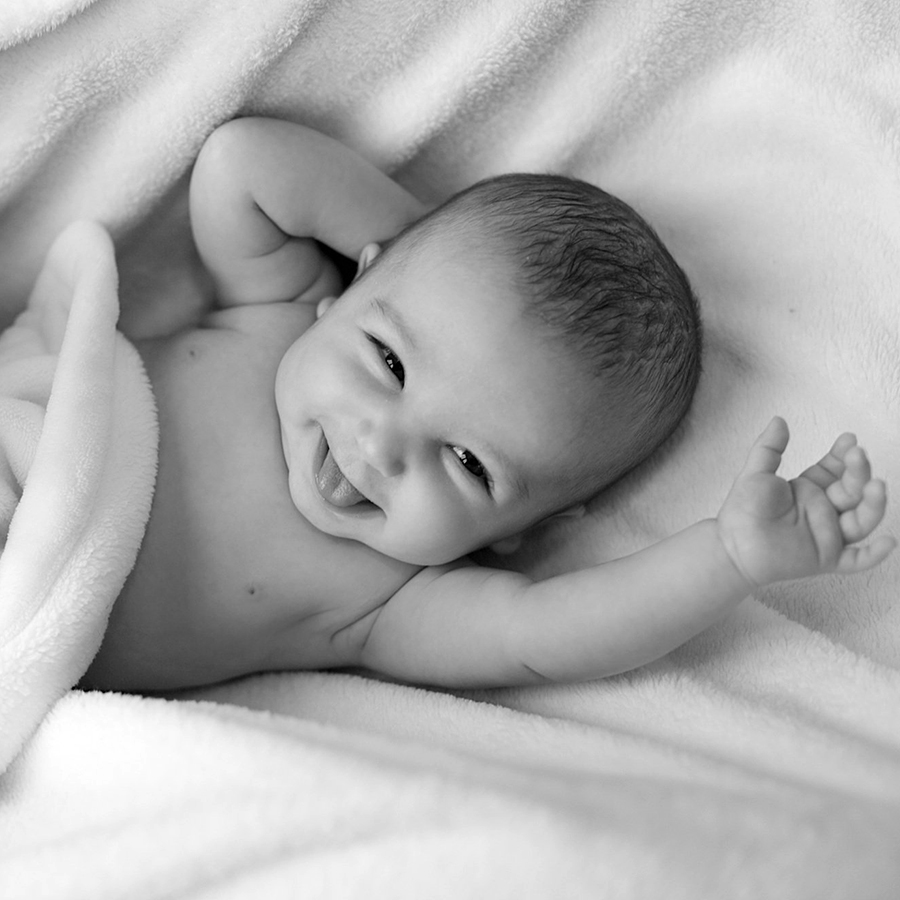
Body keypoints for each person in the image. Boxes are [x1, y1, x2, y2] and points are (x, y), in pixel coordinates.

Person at [84, 117, 894, 692]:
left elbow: (549, 636)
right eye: (390, 361)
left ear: (521, 535)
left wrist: (729, 559)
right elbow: (241, 163)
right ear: (355, 289)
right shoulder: (279, 311)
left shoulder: (389, 599)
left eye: (469, 463)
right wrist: (424, 251)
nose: (385, 442)